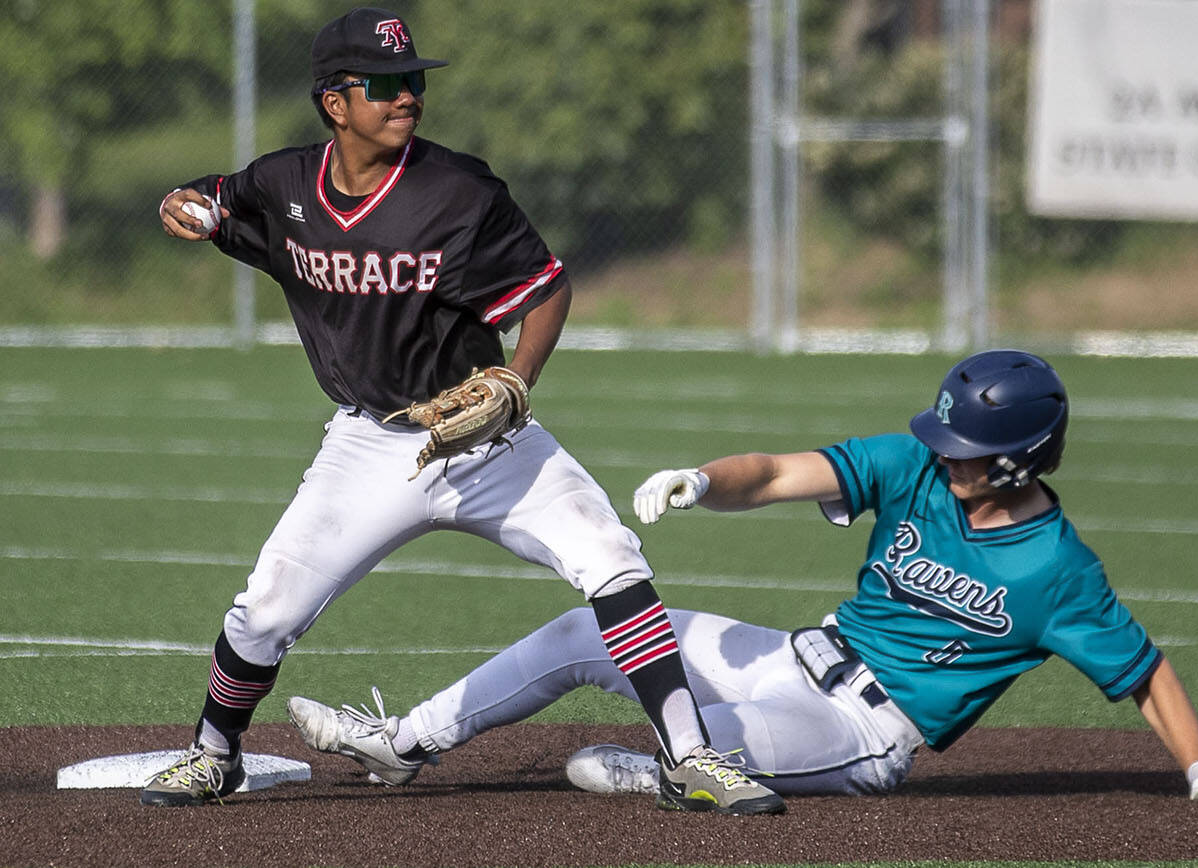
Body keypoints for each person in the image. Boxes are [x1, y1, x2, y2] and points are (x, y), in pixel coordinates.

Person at [140, 6, 783, 816]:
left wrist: (517, 381)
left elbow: (547, 288)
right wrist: (182, 202)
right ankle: (213, 754)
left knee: (613, 558)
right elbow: (217, 197)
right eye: (384, 84)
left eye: (412, 80)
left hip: (491, 441)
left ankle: (691, 758)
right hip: (373, 442)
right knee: (265, 610)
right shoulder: (284, 182)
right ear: (334, 102)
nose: (407, 96)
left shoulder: (458, 190)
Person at [287, 349, 1198, 804]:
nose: (946, 451)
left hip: (865, 729)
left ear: (1022, 459)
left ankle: (665, 775)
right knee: (598, 628)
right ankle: (406, 741)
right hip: (797, 657)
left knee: (696, 743)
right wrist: (699, 479)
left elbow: (1142, 671)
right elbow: (779, 473)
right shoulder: (917, 466)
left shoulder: (1058, 570)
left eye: (969, 443)